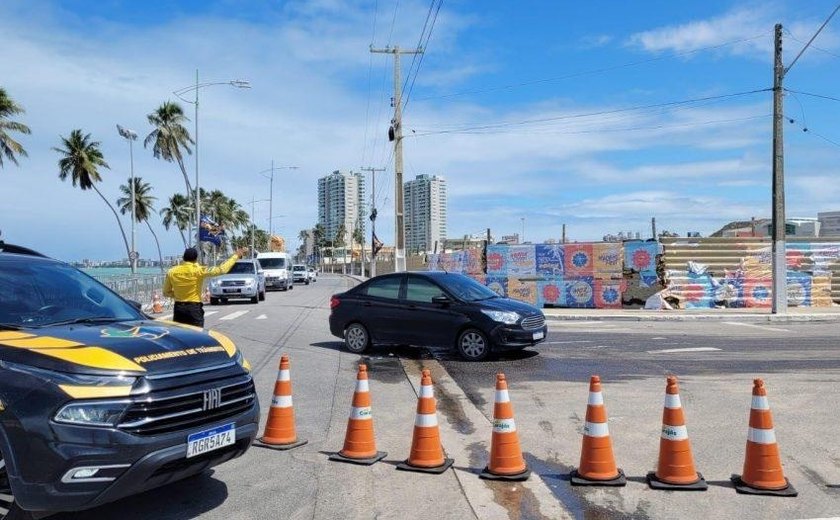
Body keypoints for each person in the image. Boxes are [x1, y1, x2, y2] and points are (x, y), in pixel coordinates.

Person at [163, 246, 248, 327]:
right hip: (194, 308)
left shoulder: (171, 272)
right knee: (198, 336)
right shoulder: (199, 270)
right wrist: (236, 256)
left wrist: (178, 295)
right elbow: (222, 269)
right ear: (196, 259)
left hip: (179, 308)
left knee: (180, 337)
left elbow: (166, 292)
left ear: (183, 258)